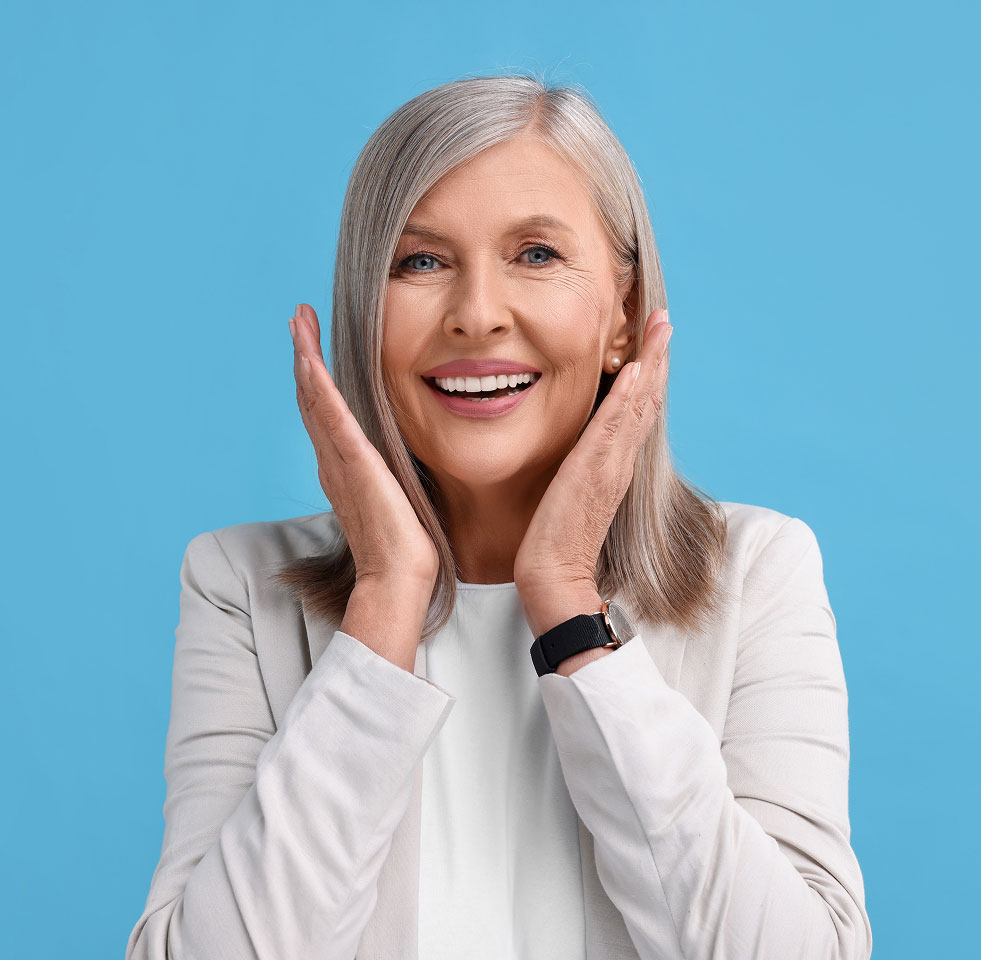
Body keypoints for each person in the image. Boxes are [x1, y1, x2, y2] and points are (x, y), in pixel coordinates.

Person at [126, 73, 873, 960]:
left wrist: (565, 602)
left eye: (536, 255)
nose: (476, 315)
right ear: (364, 311)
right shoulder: (236, 586)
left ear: (624, 320)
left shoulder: (761, 571)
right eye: (420, 262)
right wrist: (383, 601)